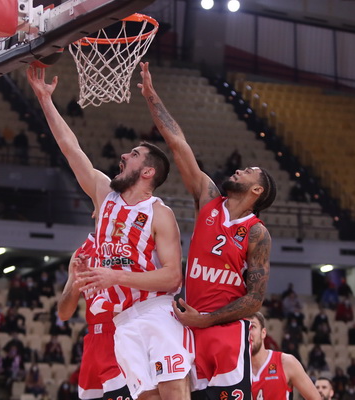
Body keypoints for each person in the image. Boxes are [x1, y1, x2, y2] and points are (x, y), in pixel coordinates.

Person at [27, 62, 192, 400]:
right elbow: (70, 148)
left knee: (173, 390)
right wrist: (45, 100)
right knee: (145, 397)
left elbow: (172, 277)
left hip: (156, 310)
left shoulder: (160, 214)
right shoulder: (104, 194)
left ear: (147, 172)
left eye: (134, 155)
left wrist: (115, 277)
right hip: (122, 321)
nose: (123, 155)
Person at [139, 61, 274, 399]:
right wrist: (152, 96)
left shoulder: (256, 233)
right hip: (189, 330)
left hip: (224, 333)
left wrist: (207, 319)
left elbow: (255, 298)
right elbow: (178, 144)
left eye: (248, 172)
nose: (239, 170)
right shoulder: (209, 198)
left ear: (257, 190)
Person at [57, 234, 130, 400]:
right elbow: (63, 313)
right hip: (93, 340)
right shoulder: (80, 254)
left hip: (119, 335)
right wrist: (76, 285)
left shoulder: (127, 244)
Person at [249, 312, 320, 400]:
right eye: (244, 328)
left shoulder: (286, 362)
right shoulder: (236, 369)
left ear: (263, 333)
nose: (248, 332)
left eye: (252, 327)